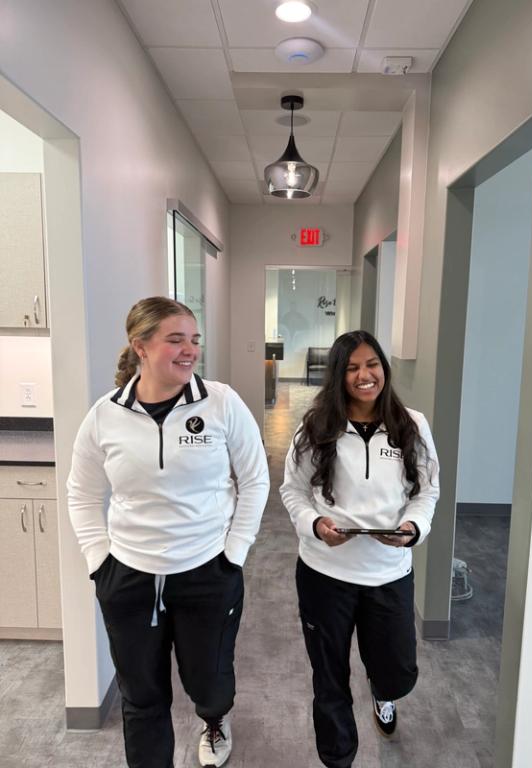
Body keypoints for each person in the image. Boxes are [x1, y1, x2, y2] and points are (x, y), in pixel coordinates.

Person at [67, 296, 270, 768]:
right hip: (129, 578)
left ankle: (215, 719)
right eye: (175, 339)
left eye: (194, 340)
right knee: (141, 694)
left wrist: (233, 553)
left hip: (207, 572)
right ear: (139, 346)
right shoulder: (104, 416)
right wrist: (100, 561)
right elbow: (81, 492)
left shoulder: (220, 403)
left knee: (210, 681)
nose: (189, 350)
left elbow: (255, 478)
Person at [280, 330, 439, 768]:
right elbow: (292, 491)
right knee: (329, 676)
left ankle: (383, 692)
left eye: (372, 364)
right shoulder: (315, 427)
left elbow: (428, 491)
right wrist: (314, 524)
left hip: (388, 572)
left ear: (384, 368)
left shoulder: (412, 424)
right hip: (325, 574)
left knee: (395, 669)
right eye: (351, 368)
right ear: (338, 375)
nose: (364, 375)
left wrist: (413, 527)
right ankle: (338, 758)